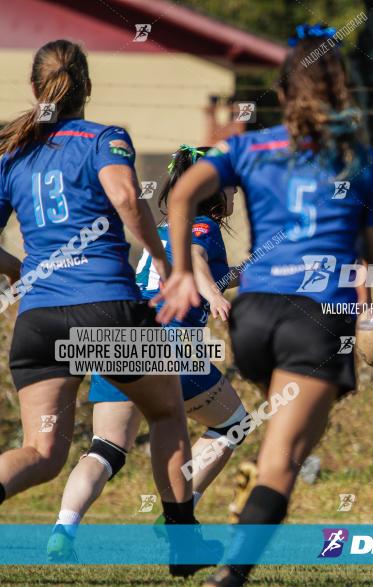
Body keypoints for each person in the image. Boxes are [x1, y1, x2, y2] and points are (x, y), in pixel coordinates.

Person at [152, 23, 373, 587]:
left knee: (289, 437)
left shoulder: (248, 145)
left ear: (283, 93)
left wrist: (183, 271)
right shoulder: (361, 158)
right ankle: (230, 573)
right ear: (342, 90)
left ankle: (254, 489)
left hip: (256, 316)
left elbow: (182, 191)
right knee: (287, 457)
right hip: (315, 317)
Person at [0, 39, 208, 576]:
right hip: (106, 308)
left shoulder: (13, 153)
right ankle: (184, 545)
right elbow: (123, 198)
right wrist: (164, 260)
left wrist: (19, 271)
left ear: (34, 88)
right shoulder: (104, 138)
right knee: (166, 412)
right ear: (87, 87)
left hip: (39, 321)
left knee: (43, 454)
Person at [46, 145, 250, 562]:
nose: (234, 192)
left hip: (119, 339)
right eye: (229, 184)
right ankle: (178, 512)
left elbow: (198, 268)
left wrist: (241, 276)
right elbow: (195, 260)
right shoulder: (201, 226)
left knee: (105, 448)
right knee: (235, 424)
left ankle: (63, 529)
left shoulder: (163, 229)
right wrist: (213, 293)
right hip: (168, 345)